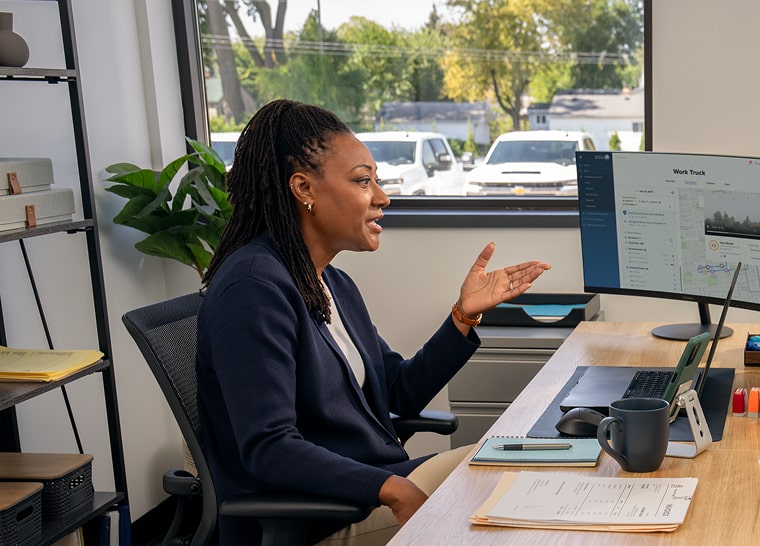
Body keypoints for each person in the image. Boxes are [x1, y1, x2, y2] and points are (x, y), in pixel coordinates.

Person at [196, 99, 551, 545]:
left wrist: (464, 314)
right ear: (304, 188)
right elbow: (269, 448)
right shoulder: (253, 290)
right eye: (363, 181)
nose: (382, 197)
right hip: (320, 518)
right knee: (509, 476)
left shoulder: (330, 282)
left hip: (370, 488)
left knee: (522, 463)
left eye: (376, 181)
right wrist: (390, 488)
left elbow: (400, 391)